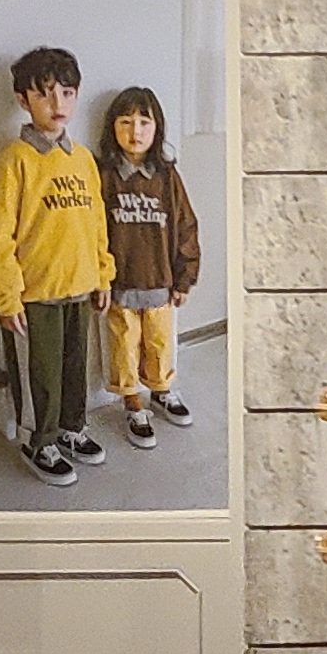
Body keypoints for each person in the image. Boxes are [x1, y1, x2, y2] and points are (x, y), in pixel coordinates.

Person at [0, 45, 109, 485]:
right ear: (23, 100)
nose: (58, 104)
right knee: (43, 373)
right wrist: (6, 296)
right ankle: (40, 441)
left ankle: (72, 429)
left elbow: (96, 222)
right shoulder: (14, 161)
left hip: (80, 286)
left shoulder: (83, 159)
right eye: (45, 94)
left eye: (67, 93)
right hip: (35, 294)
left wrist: (103, 274)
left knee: (75, 367)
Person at [94, 84, 203, 448]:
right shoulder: (104, 175)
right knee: (124, 345)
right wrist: (100, 279)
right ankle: (132, 402)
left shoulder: (167, 176)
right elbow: (93, 230)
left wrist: (185, 278)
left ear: (157, 128)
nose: (135, 131)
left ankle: (161, 390)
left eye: (144, 122)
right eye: (125, 122)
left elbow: (186, 225)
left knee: (159, 342)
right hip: (120, 284)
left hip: (160, 281)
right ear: (112, 126)